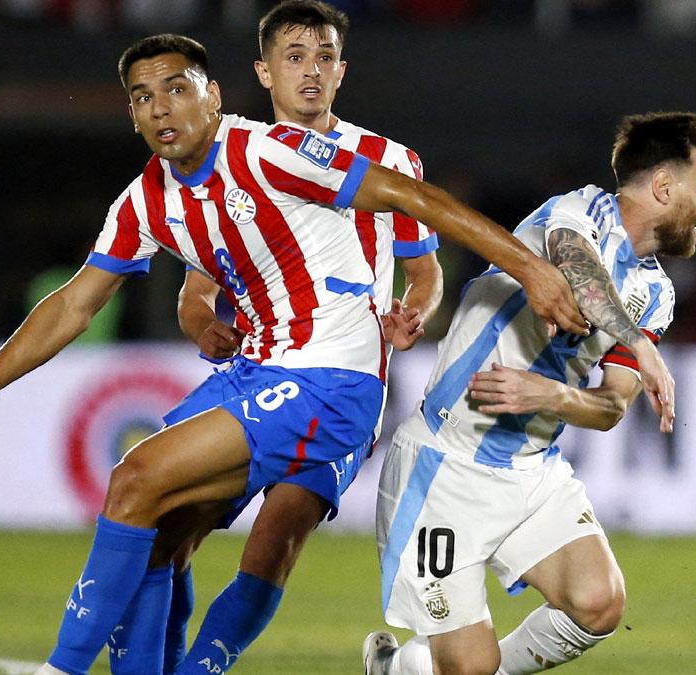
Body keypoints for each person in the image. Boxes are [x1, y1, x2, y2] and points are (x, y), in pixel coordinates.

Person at [0, 33, 586, 675]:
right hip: (257, 370)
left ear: (214, 95)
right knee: (160, 523)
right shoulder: (147, 198)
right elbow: (72, 303)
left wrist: (530, 270)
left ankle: (61, 666)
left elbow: (409, 196)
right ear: (133, 115)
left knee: (139, 479)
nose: (161, 107)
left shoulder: (267, 152)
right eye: (144, 97)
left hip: (332, 379)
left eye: (177, 89)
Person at [106, 3, 444, 672]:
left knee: (278, 533)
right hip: (257, 373)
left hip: (341, 379)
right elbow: (195, 294)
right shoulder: (236, 158)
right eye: (295, 56)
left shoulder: (388, 159)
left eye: (324, 56)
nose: (310, 70)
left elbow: (425, 272)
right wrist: (208, 328)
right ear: (264, 72)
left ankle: (202, 668)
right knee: (172, 529)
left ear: (341, 71)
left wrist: (414, 311)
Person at [363, 111, 696, 675]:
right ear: (662, 185)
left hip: (532, 471)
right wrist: (641, 344)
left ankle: (409, 670)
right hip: (445, 467)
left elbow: (610, 408)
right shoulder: (576, 214)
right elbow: (580, 276)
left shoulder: (655, 292)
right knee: (469, 668)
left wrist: (549, 397)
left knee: (599, 603)